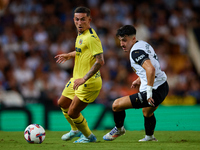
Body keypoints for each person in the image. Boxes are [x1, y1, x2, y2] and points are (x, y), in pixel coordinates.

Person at [103, 25, 169, 142]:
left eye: (124, 40)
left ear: (133, 39)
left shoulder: (135, 52)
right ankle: (149, 137)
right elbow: (152, 65)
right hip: (163, 86)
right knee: (147, 112)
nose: (122, 44)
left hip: (154, 91)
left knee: (116, 105)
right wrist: (140, 79)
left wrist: (148, 92)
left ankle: (119, 129)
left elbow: (151, 70)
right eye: (120, 40)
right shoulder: (143, 44)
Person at [55, 6, 104, 143]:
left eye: (83, 19)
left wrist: (84, 78)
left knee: (72, 112)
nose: (80, 22)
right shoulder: (80, 34)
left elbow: (100, 61)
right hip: (77, 78)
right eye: (77, 19)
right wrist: (69, 55)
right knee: (62, 103)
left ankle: (89, 137)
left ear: (89, 19)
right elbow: (81, 51)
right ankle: (75, 130)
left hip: (89, 81)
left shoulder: (91, 38)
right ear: (74, 20)